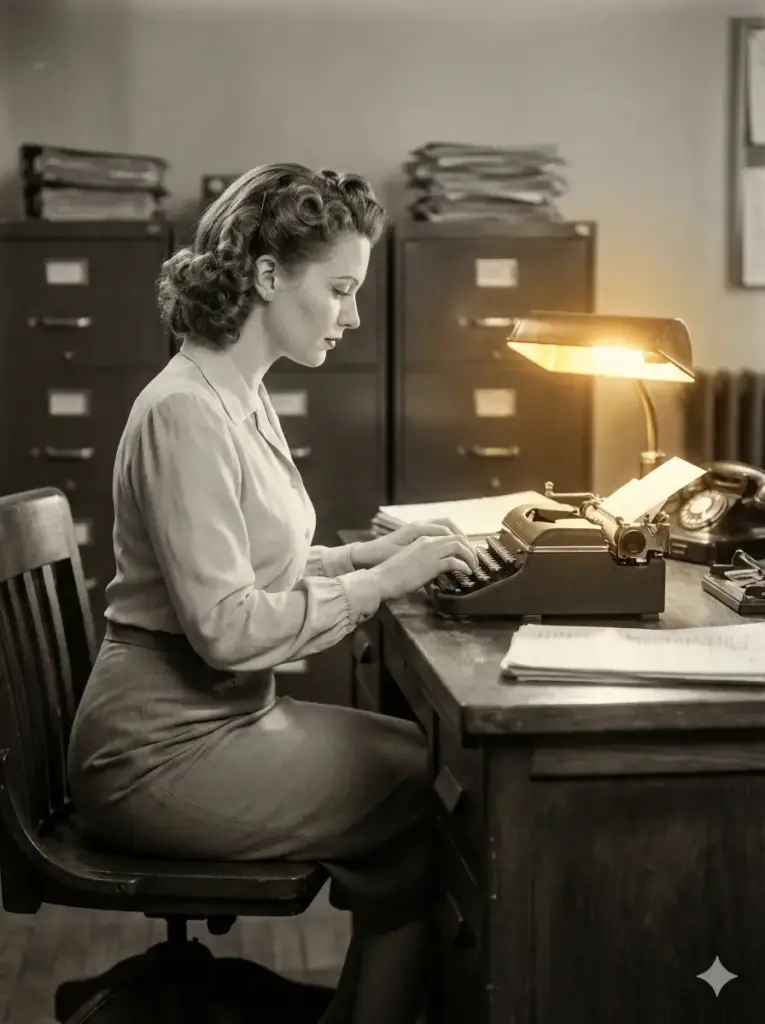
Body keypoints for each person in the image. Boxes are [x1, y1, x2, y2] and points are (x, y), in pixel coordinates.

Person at [66, 163, 479, 1024]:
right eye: (338, 289)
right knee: (432, 784)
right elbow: (224, 628)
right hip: (154, 753)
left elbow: (262, 570)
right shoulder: (184, 411)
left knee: (426, 776)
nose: (353, 315)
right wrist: (377, 582)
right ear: (265, 276)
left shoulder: (238, 394)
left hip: (218, 720)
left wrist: (376, 554)